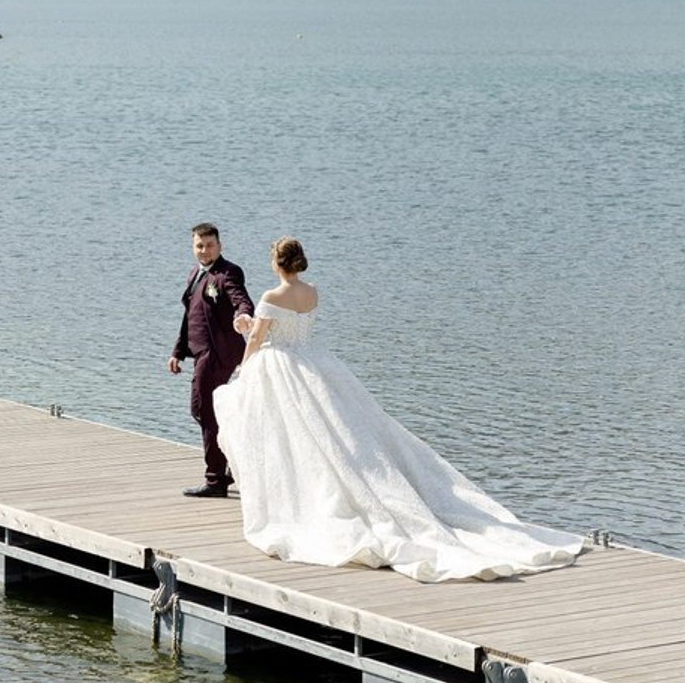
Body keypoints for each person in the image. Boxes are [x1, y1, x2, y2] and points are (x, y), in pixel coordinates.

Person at [213, 237, 584, 582]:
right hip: (315, 363)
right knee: (337, 432)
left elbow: (259, 338)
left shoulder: (271, 295)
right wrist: (255, 325)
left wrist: (244, 367)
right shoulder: (312, 291)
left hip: (281, 367)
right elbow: (294, 326)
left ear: (276, 263)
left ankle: (300, 499)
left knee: (291, 435)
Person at [168, 222, 254, 497]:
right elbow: (190, 316)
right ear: (193, 247)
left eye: (209, 245)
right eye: (199, 246)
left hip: (217, 353)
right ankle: (229, 466)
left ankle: (216, 480)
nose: (204, 250)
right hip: (200, 352)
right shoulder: (195, 273)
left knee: (205, 411)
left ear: (220, 246)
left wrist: (244, 315)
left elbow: (241, 299)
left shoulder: (228, 273)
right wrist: (178, 351)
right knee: (207, 412)